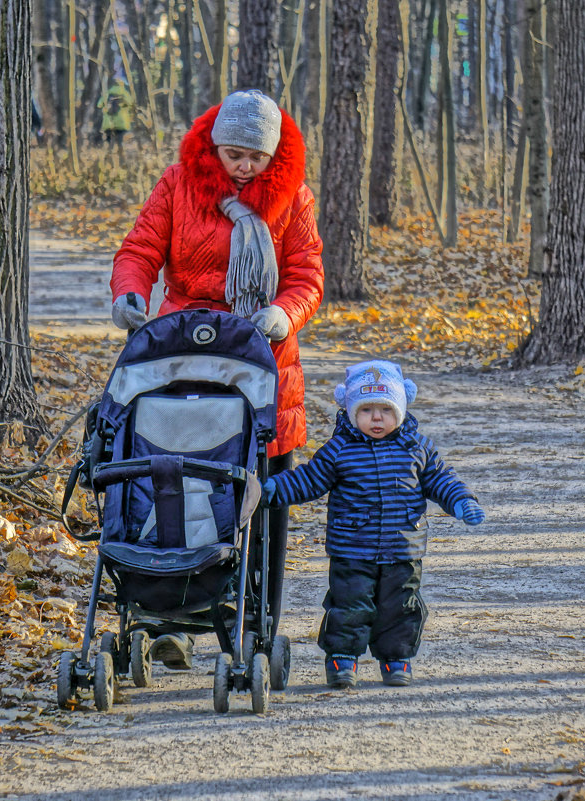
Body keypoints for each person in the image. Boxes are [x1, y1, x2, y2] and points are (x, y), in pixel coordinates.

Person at [110, 89, 325, 670]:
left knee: (257, 497)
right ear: (214, 143)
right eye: (234, 153)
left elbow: (307, 274)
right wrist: (130, 292)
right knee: (172, 481)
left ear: (273, 154)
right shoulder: (179, 183)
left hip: (263, 364)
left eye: (255, 157)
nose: (244, 166)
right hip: (184, 358)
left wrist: (285, 312)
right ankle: (165, 618)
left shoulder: (292, 198)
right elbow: (141, 247)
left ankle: (255, 623)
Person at [263, 360, 484, 689]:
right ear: (352, 412)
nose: (376, 418)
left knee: (402, 607)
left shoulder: (416, 448)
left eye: (385, 409)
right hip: (352, 548)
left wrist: (462, 501)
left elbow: (441, 480)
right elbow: (309, 479)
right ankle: (342, 658)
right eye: (366, 410)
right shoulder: (340, 450)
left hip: (403, 547)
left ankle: (396, 658)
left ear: (401, 409)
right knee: (349, 606)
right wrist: (276, 489)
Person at [98, 78, 133, 155]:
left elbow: (99, 104)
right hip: (122, 123)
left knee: (109, 143)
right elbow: (131, 104)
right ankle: (121, 158)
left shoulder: (107, 93)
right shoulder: (124, 93)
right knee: (120, 142)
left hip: (109, 123)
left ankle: (108, 159)